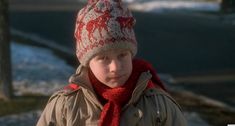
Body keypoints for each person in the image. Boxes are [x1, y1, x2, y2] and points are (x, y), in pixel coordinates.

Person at [36, 0, 187, 125]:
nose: (115, 67)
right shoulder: (65, 107)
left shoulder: (159, 105)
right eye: (103, 58)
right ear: (87, 62)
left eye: (122, 55)